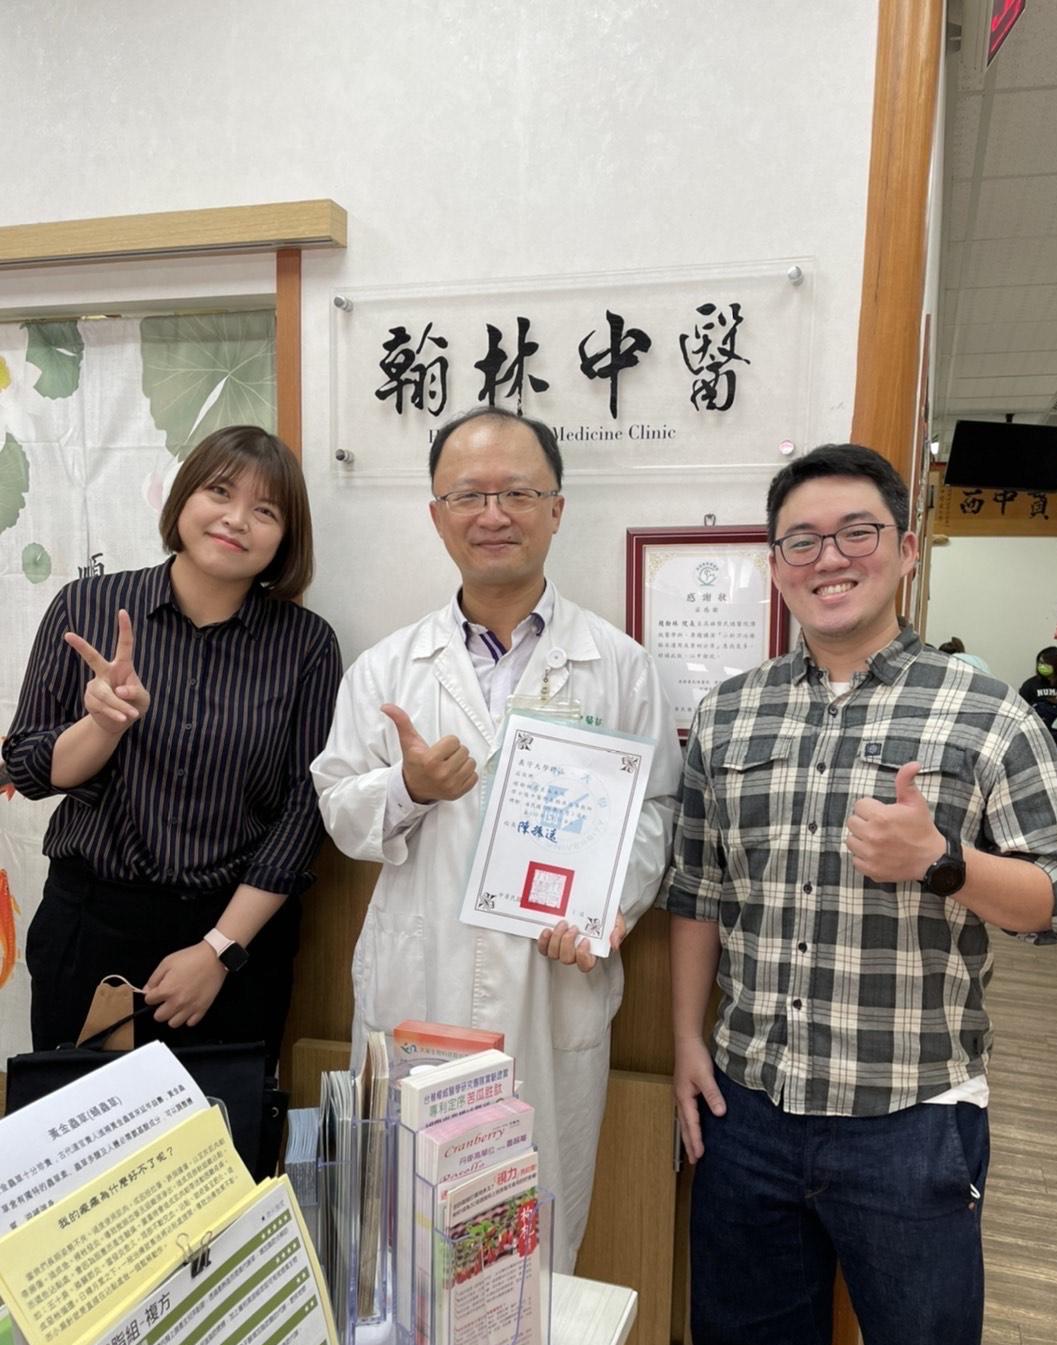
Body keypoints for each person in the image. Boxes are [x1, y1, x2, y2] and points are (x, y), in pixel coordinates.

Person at [662, 443, 1057, 1345]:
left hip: (911, 1120)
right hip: (748, 1108)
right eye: (801, 540)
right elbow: (698, 890)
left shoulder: (985, 710)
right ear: (774, 566)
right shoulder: (728, 712)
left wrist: (945, 862)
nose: (830, 557)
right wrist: (685, 1042)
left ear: (904, 551)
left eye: (856, 532)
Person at [311, 406, 681, 1270]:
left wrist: (608, 910)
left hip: (553, 982)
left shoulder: (618, 665)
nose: (493, 514)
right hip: (419, 981)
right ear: (437, 515)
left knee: (531, 1240)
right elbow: (339, 810)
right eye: (468, 495)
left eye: (517, 492)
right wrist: (409, 788)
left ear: (556, 509)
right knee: (401, 1233)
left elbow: (656, 810)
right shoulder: (388, 668)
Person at [3, 425, 342, 1071]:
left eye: (266, 511)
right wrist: (102, 726)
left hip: (234, 935)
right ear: (184, 498)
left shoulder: (306, 644)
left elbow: (304, 811)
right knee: (81, 1126)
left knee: (222, 1129)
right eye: (220, 492)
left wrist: (218, 951)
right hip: (91, 925)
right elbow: (30, 769)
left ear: (286, 538)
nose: (236, 519)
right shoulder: (89, 605)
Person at [1018, 645, 1057, 725]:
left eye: (1046, 663)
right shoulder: (1030, 684)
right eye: (1040, 663)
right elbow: (1020, 708)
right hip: (1038, 726)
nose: (1042, 666)